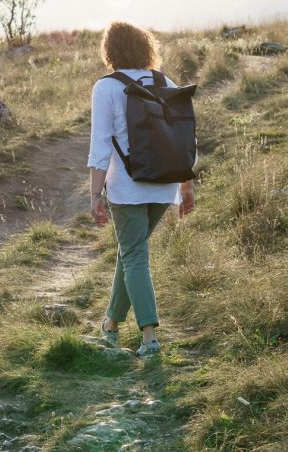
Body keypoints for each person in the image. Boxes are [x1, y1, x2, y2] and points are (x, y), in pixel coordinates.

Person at [88, 21, 195, 357]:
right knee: (129, 252)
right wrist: (186, 187)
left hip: (127, 187)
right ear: (146, 47)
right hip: (165, 185)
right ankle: (110, 325)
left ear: (110, 51)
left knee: (134, 255)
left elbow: (100, 145)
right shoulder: (167, 82)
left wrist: (94, 194)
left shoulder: (107, 88)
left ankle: (149, 337)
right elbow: (186, 139)